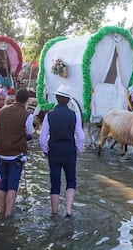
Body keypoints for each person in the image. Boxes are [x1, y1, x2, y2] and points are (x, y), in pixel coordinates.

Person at [39, 85, 85, 217]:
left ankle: (54, 211)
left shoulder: (49, 116)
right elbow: (80, 137)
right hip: (69, 151)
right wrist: (78, 150)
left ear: (57, 98)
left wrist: (46, 150)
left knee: (55, 182)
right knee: (71, 180)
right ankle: (69, 210)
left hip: (53, 152)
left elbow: (42, 138)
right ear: (69, 100)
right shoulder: (74, 115)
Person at [0, 88, 34, 217]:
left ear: (15, 98)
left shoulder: (2, 111)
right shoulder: (27, 115)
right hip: (15, 154)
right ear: (26, 100)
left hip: (0, 152)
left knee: (3, 182)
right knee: (12, 186)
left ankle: (1, 211)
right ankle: (8, 215)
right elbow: (29, 133)